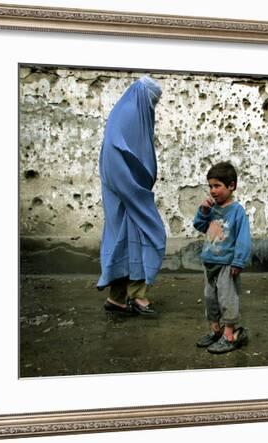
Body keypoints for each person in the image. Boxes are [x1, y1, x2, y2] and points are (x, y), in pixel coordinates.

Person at [97, 75, 166, 316]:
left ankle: (118, 298)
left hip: (124, 194)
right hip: (127, 193)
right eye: (152, 101)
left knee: (124, 242)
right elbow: (117, 155)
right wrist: (135, 191)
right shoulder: (129, 113)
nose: (153, 106)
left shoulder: (125, 112)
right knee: (149, 234)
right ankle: (136, 297)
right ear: (143, 96)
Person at [193, 161, 251, 354]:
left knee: (227, 299)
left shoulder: (237, 212)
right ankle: (215, 331)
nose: (213, 191)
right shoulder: (211, 209)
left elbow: (243, 239)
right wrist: (203, 212)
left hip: (227, 264)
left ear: (231, 186)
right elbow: (199, 226)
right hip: (210, 263)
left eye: (217, 186)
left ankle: (229, 335)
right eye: (210, 186)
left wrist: (238, 261)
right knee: (210, 299)